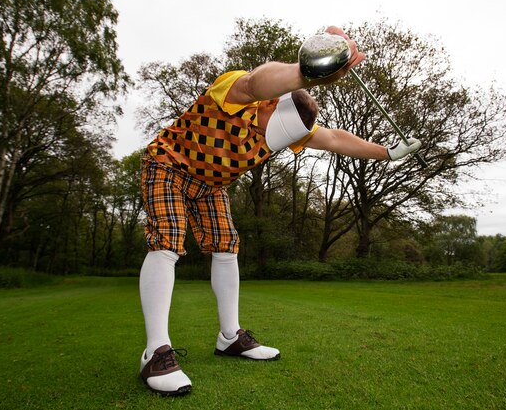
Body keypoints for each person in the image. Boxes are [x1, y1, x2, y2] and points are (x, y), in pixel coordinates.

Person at [137, 26, 421, 396]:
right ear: (272, 103)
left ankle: (230, 337)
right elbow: (259, 81)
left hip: (210, 185)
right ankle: (155, 353)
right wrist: (310, 69)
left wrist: (387, 152)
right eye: (275, 129)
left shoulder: (289, 131)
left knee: (227, 246)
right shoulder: (237, 93)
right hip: (168, 164)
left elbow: (334, 138)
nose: (272, 141)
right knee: (168, 240)